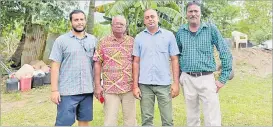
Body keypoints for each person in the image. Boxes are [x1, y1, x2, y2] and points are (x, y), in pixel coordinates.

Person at [176, 1, 233, 126]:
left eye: (196, 11)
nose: (193, 14)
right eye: (190, 11)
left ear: (200, 13)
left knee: (212, 118)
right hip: (188, 78)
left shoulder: (210, 29)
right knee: (191, 117)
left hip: (206, 78)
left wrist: (222, 79)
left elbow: (224, 51)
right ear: (186, 14)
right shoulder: (181, 32)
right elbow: (177, 55)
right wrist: (179, 77)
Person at [132, 9, 180, 126]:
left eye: (152, 16)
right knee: (147, 120)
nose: (150, 19)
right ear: (144, 21)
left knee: (167, 120)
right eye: (147, 17)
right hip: (145, 85)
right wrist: (135, 86)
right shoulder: (139, 37)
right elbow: (136, 62)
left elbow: (174, 59)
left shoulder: (169, 36)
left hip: (164, 84)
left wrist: (176, 83)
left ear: (158, 18)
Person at [49, 9, 97, 126]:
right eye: (76, 20)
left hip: (87, 89)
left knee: (84, 121)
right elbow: (55, 67)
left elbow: (96, 65)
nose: (79, 22)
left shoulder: (93, 40)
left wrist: (97, 85)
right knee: (64, 123)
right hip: (67, 91)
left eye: (81, 19)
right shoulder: (61, 41)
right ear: (71, 22)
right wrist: (54, 90)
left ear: (85, 21)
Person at [93, 15, 137, 126]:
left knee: (131, 121)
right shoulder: (103, 42)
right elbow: (97, 63)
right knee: (109, 122)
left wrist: (136, 85)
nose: (119, 26)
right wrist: (97, 85)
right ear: (111, 26)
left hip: (129, 88)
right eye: (116, 23)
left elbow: (137, 62)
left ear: (125, 26)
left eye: (121, 24)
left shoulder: (132, 42)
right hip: (110, 89)